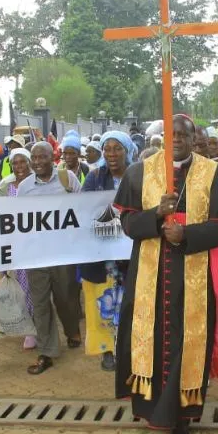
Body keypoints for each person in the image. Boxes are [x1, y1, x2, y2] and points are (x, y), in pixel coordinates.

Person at [114, 114, 218, 434]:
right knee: (153, 342)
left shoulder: (216, 174)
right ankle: (152, 408)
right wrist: (156, 218)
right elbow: (128, 224)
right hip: (149, 279)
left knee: (187, 346)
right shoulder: (139, 172)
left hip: (193, 277)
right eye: (172, 136)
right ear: (163, 139)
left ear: (194, 138)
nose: (178, 142)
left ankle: (181, 421)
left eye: (185, 136)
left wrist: (187, 234)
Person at [18, 142, 82, 375]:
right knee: (40, 303)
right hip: (36, 255)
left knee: (66, 298)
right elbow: (16, 219)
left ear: (52, 157)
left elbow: (83, 209)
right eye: (33, 158)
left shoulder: (68, 180)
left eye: (41, 157)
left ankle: (72, 329)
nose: (37, 162)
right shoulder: (24, 187)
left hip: (64, 253)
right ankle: (47, 351)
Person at [80, 131, 135, 371]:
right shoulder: (94, 178)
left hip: (133, 251)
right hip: (103, 255)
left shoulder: (138, 174)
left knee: (130, 301)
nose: (112, 154)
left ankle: (129, 346)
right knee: (104, 302)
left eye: (117, 148)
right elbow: (82, 209)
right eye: (107, 149)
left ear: (127, 150)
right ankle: (107, 350)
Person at [0, 147, 37, 350]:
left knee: (35, 286)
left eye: (23, 162)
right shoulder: (5, 185)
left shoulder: (37, 182)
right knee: (22, 286)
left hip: (37, 243)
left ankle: (36, 327)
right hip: (15, 244)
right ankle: (29, 327)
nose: (19, 166)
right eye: (15, 163)